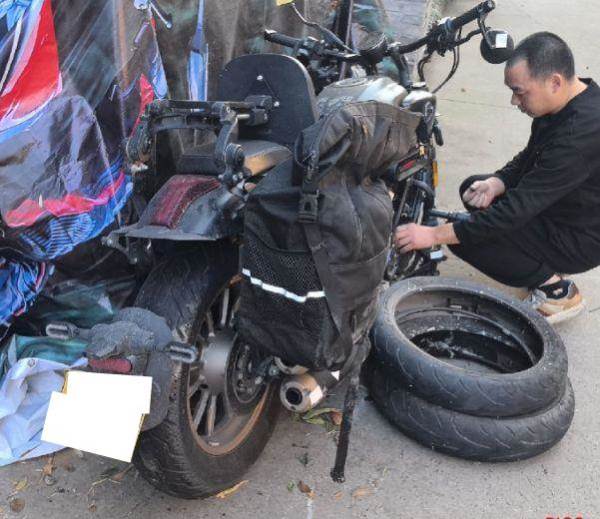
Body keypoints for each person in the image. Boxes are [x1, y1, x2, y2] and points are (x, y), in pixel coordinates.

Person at [394, 32, 600, 324]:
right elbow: (530, 156)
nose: (514, 101)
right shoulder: (567, 101)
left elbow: (515, 211)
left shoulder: (579, 136)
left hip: (581, 237)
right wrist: (498, 181)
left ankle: (557, 292)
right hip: (564, 206)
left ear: (554, 82)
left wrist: (432, 235)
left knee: (466, 239)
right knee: (474, 190)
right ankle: (538, 262)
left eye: (520, 92)